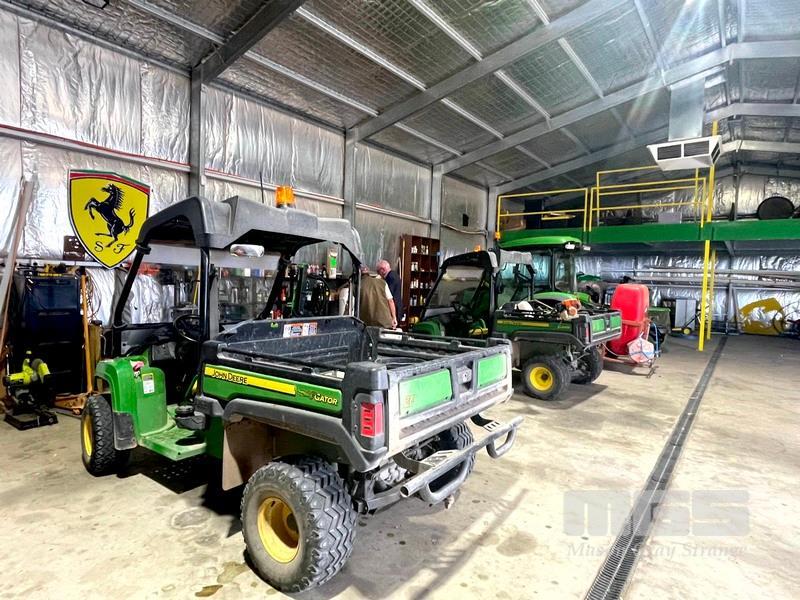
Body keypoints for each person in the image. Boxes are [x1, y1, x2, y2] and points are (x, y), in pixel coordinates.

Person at [376, 259, 403, 324]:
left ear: (383, 270)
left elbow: (389, 296)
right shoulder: (394, 274)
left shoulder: (390, 278)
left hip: (394, 308)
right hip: (397, 306)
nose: (378, 274)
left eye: (378, 271)